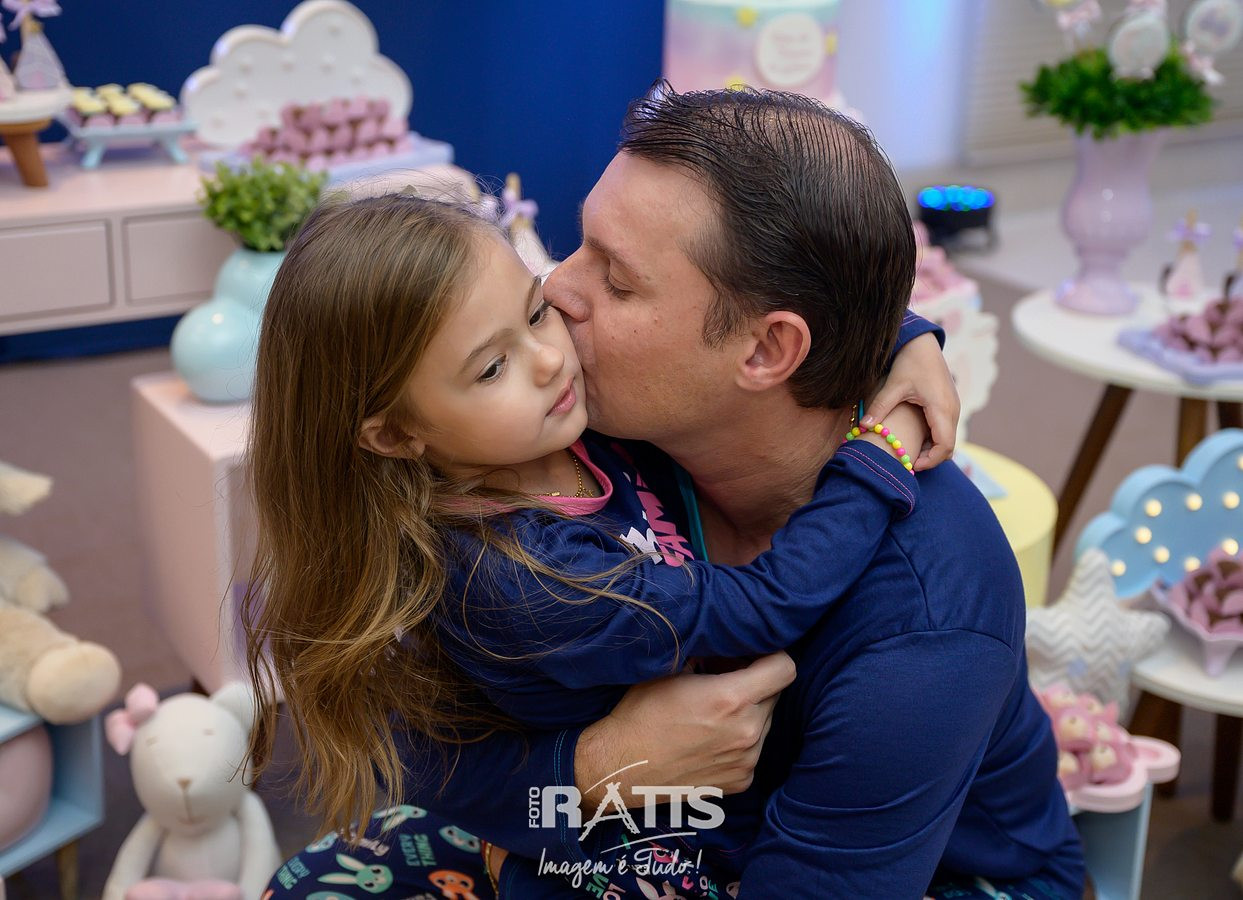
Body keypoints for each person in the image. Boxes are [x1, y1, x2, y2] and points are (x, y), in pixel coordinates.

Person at [247, 188, 949, 899]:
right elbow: (769, 602)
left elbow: (727, 307)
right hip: (613, 841)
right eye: (490, 369)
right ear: (398, 434)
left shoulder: (562, 431)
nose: (549, 360)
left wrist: (904, 336)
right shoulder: (521, 578)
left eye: (534, 312)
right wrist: (878, 454)